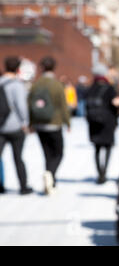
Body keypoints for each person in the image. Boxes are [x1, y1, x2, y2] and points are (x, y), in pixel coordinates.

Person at [29, 56, 71, 195]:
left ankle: (51, 179)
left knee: (47, 154)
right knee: (58, 153)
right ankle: (50, 174)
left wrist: (31, 123)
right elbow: (63, 105)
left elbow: (29, 104)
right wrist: (67, 122)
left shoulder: (36, 84)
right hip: (54, 123)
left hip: (39, 124)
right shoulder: (57, 84)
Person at [0, 57, 32, 195]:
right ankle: (23, 186)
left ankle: (0, 185)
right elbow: (21, 106)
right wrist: (25, 123)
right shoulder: (17, 85)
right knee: (18, 157)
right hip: (15, 127)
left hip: (0, 126)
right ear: (18, 69)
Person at [86, 63, 118, 184]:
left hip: (94, 123)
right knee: (108, 147)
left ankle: (99, 172)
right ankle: (104, 171)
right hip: (108, 122)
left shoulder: (90, 88)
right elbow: (114, 105)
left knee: (97, 149)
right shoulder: (109, 88)